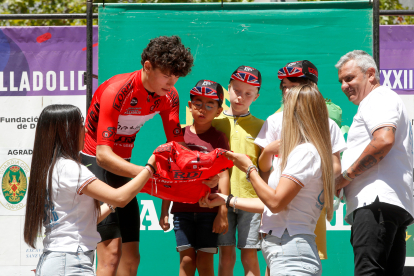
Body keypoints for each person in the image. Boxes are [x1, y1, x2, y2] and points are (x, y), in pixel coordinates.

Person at [80, 36, 194, 276]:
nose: (172, 82)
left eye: (176, 76)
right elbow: (103, 155)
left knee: (131, 258)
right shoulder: (117, 90)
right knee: (110, 254)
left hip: (123, 167)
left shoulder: (169, 95)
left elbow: (177, 151)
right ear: (147, 66)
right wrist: (149, 176)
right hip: (94, 163)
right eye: (166, 75)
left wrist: (192, 177)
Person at [201, 84, 334, 276]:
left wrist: (249, 169)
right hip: (283, 250)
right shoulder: (301, 151)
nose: (283, 115)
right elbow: (272, 201)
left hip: (291, 252)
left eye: (287, 108)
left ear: (299, 114)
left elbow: (275, 203)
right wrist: (228, 200)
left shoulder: (305, 152)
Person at [23, 104, 157, 276]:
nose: (85, 131)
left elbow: (87, 219)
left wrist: (111, 203)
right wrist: (150, 167)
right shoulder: (70, 168)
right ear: (66, 131)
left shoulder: (52, 168)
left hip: (60, 260)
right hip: (70, 262)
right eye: (80, 125)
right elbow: (121, 198)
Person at [255, 60, 346, 267]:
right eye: (285, 87)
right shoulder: (275, 121)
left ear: (310, 90)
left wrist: (311, 177)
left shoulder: (328, 124)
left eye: (294, 87)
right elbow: (264, 168)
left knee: (302, 251)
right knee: (274, 258)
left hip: (305, 204)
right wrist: (268, 152)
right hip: (274, 205)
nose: (288, 93)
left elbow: (335, 166)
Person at [334, 50, 414, 276]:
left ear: (371, 74)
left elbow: (383, 140)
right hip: (388, 204)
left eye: (349, 78)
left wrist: (345, 177)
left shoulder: (378, 98)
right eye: (341, 81)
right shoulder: (383, 100)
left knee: (368, 272)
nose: (344, 85)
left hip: (375, 203)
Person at [159, 80, 230, 276]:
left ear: (218, 110)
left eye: (210, 104)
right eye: (198, 103)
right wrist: (165, 210)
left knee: (206, 264)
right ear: (189, 107)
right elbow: (168, 175)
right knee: (187, 262)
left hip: (209, 210)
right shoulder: (177, 137)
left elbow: (224, 174)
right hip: (182, 211)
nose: (203, 109)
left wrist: (222, 211)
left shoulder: (219, 138)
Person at [211, 66, 264, 276]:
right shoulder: (213, 123)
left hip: (251, 200)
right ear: (228, 89)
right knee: (226, 254)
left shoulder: (262, 126)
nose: (241, 97)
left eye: (248, 93)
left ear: (256, 97)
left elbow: (265, 167)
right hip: (220, 199)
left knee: (249, 254)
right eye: (237, 90)